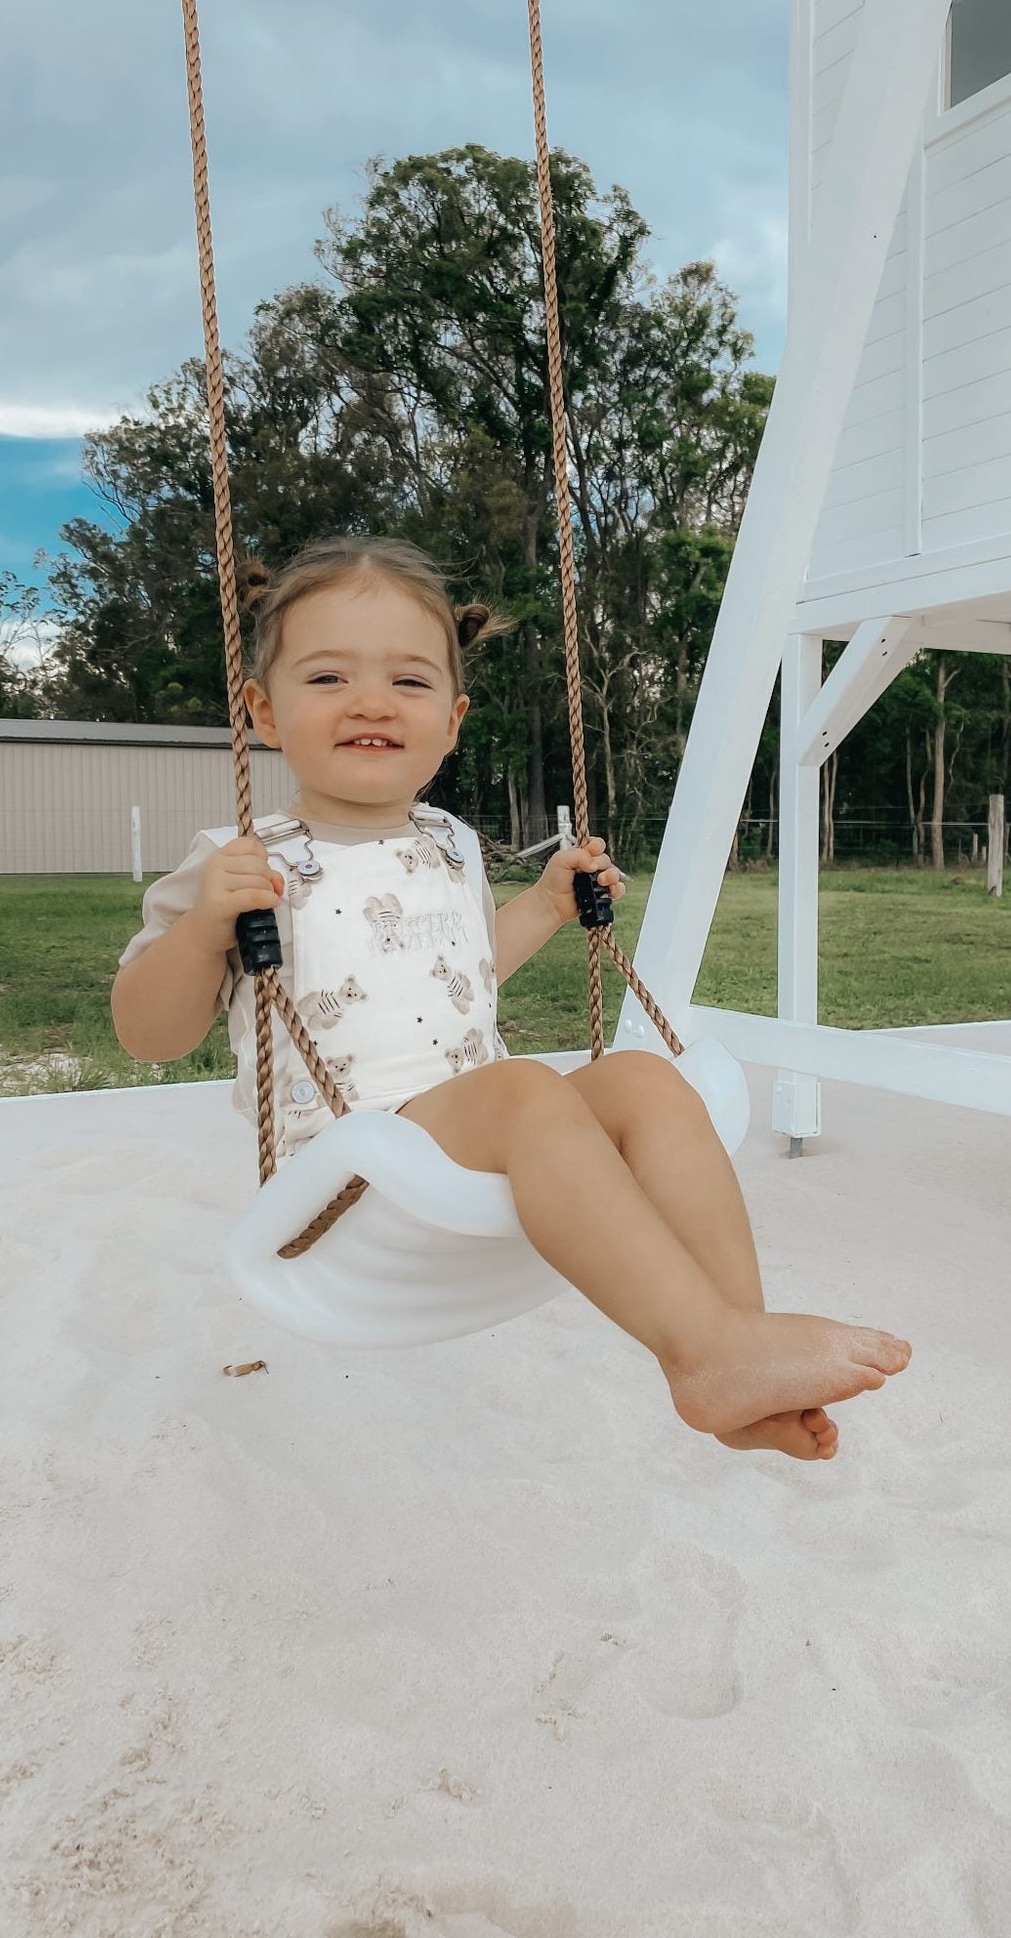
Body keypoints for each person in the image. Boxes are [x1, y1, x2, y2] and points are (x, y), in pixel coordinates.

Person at [112, 536, 909, 1462]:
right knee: (526, 1086)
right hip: (346, 1173)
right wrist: (204, 925)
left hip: (475, 1131)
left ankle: (736, 1343)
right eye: (328, 677)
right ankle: (706, 1350)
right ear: (263, 711)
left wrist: (543, 905)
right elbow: (150, 1036)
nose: (371, 701)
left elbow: (456, 976)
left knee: (648, 1080)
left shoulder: (450, 843)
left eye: (408, 684)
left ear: (451, 723)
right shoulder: (238, 860)